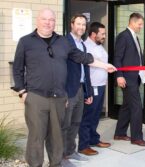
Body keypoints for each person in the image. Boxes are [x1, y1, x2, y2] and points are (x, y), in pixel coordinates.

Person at [13, 8, 116, 167]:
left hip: (59, 98)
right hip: (36, 97)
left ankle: (56, 163)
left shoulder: (62, 41)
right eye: (44, 19)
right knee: (36, 136)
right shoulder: (26, 41)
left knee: (56, 136)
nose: (48, 23)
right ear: (37, 20)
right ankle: (35, 164)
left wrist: (104, 65)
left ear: (55, 22)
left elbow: (82, 57)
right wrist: (22, 92)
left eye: (51, 20)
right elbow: (17, 69)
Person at [113, 13, 145, 147]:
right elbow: (117, 58)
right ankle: (136, 138)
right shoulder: (123, 36)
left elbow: (136, 58)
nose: (141, 27)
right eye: (139, 24)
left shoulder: (135, 37)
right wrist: (119, 75)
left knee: (127, 107)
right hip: (127, 78)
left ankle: (119, 133)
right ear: (132, 22)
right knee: (136, 108)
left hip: (136, 77)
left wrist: (143, 68)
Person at [61, 14, 92, 167]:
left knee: (75, 123)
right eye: (78, 24)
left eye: (83, 24)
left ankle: (70, 151)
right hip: (68, 90)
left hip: (80, 89)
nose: (81, 27)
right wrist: (63, 94)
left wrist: (89, 92)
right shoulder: (65, 42)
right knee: (64, 124)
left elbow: (85, 70)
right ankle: (60, 157)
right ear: (72, 24)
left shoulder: (83, 44)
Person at [78, 22, 111, 156]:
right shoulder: (86, 47)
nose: (104, 36)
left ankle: (93, 139)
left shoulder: (99, 46)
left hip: (101, 85)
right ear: (93, 34)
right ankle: (83, 145)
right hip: (92, 87)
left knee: (96, 115)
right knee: (88, 116)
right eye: (102, 34)